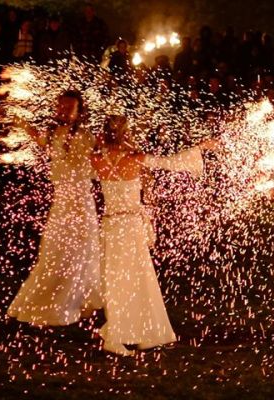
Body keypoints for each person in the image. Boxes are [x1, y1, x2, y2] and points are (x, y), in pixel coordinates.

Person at [91, 115, 208, 355]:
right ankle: (118, 336)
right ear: (126, 133)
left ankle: (137, 332)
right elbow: (171, 163)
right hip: (131, 226)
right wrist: (199, 148)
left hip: (112, 226)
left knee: (117, 280)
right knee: (135, 278)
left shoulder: (96, 159)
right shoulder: (134, 158)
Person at [7, 90, 103, 326]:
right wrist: (20, 122)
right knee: (54, 251)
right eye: (61, 106)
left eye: (69, 107)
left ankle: (77, 300)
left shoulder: (86, 136)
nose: (64, 111)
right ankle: (50, 300)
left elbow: (95, 165)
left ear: (79, 111)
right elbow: (39, 140)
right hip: (62, 201)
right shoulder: (52, 134)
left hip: (81, 201)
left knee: (82, 250)